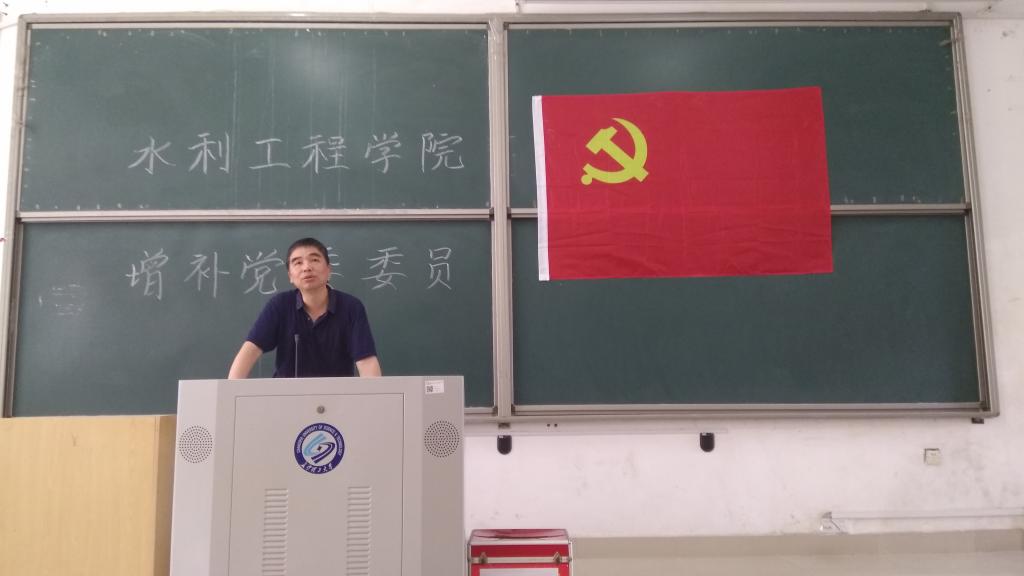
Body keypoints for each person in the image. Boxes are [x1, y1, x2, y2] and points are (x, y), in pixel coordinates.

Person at [228, 237, 382, 379]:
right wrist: (232, 393)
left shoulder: (351, 307)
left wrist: (374, 397)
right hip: (285, 396)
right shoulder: (279, 305)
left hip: (337, 396)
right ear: (290, 275)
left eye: (314, 260)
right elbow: (250, 351)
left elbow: (366, 362)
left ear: (329, 270)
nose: (307, 267)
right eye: (298, 263)